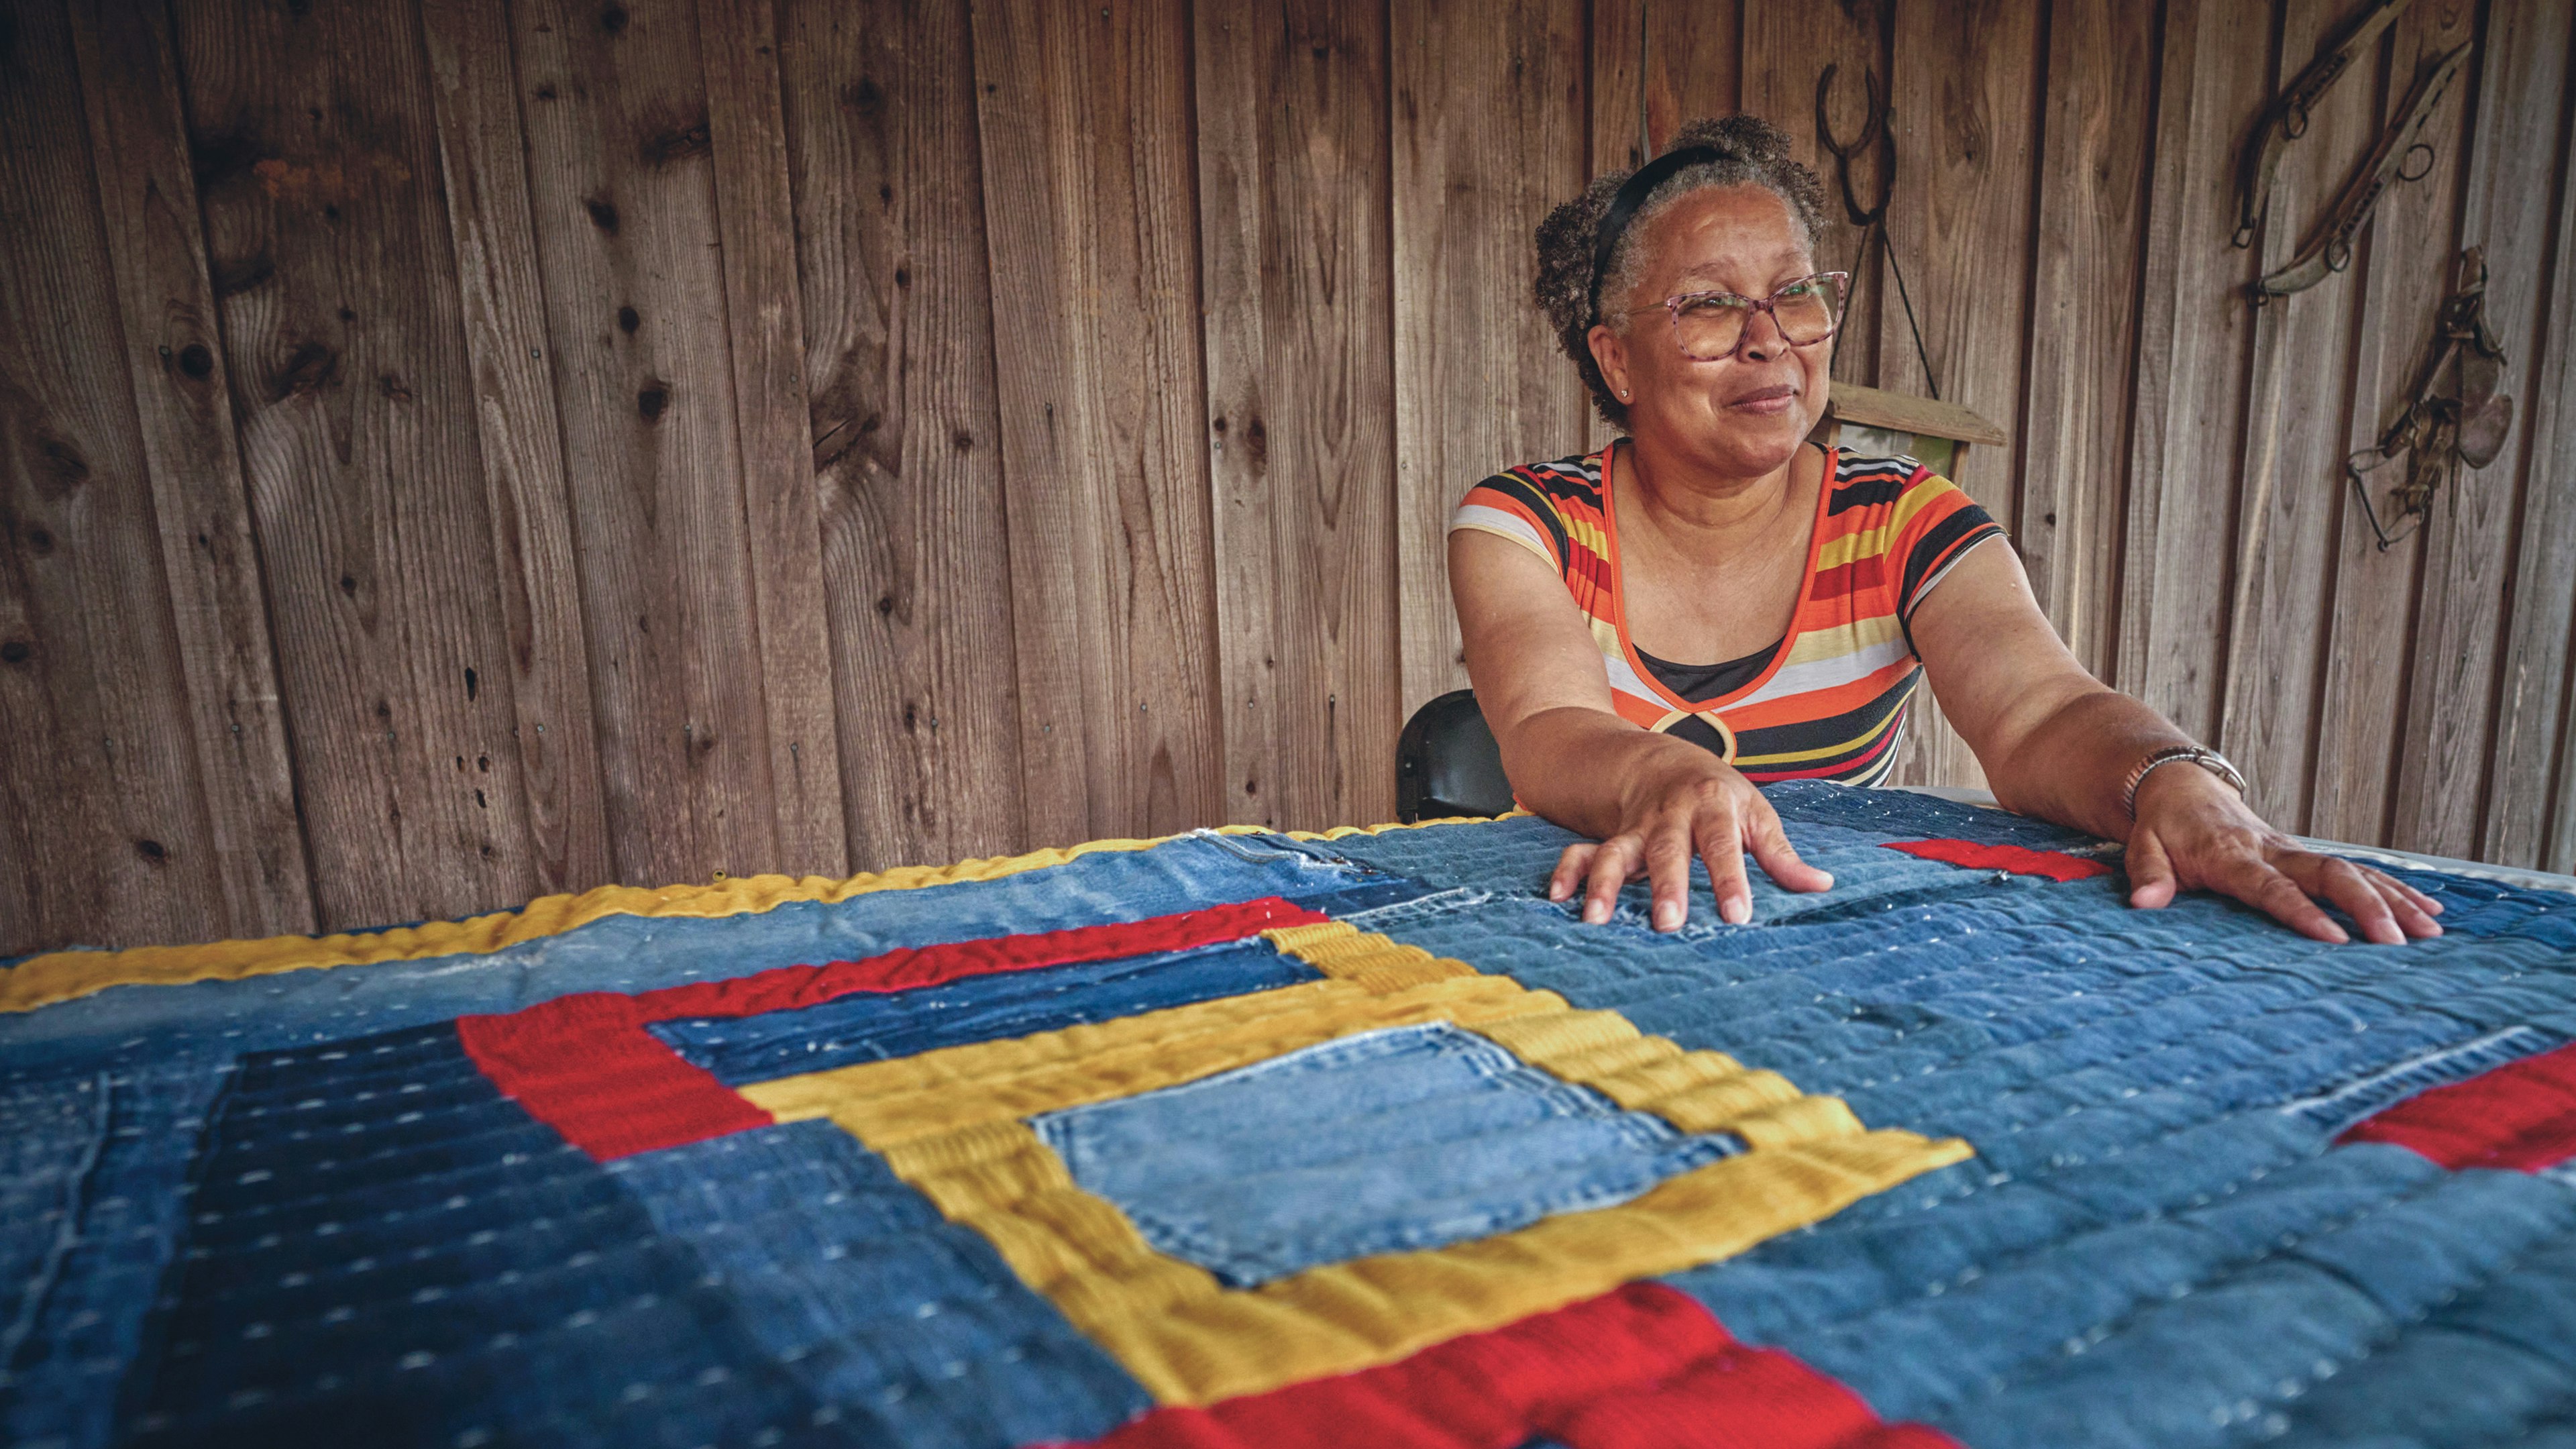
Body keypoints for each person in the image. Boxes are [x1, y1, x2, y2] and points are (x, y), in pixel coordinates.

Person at [1448, 115, 2445, 944]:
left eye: (1795, 293)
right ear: (1617, 362)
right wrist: (1666, 770)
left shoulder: (1902, 517)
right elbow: (1548, 732)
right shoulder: (1525, 523)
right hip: (1595, 924)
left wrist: (2172, 781)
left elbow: (2040, 714)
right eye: (1709, 307)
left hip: (1826, 935)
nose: (1769, 339)